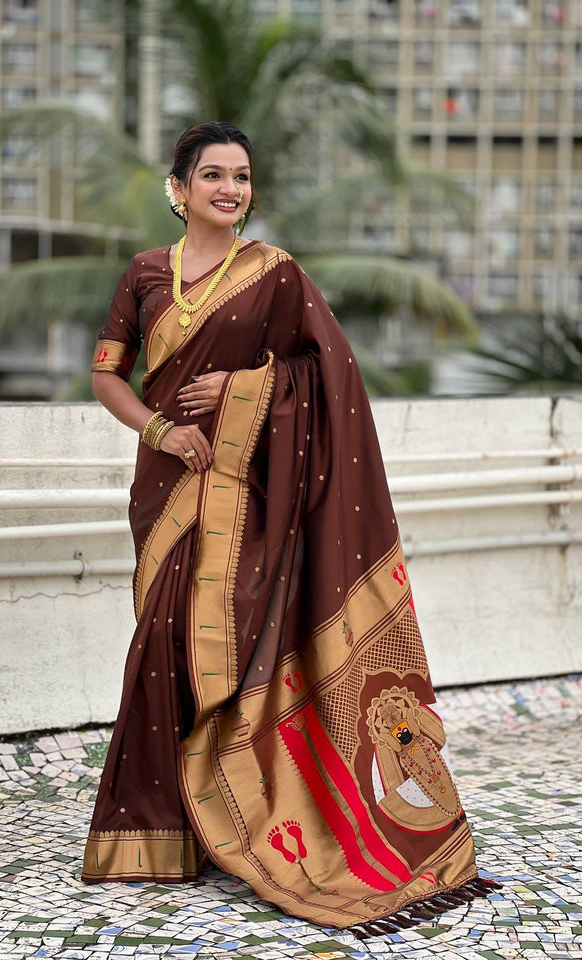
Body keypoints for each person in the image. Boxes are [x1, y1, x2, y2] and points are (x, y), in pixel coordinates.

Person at [81, 121, 498, 935]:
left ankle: (244, 813)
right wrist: (163, 431)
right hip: (169, 485)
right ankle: (161, 829)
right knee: (162, 640)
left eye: (240, 176)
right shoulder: (145, 274)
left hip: (251, 496)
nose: (229, 189)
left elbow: (330, 374)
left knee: (237, 646)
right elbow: (107, 375)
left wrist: (246, 388)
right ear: (179, 188)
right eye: (212, 175)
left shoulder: (276, 275)